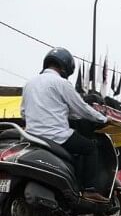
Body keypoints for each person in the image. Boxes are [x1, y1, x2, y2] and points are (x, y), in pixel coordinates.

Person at [21, 47, 111, 203]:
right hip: (56, 136)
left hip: (32, 136)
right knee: (91, 147)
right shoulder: (61, 83)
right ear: (65, 67)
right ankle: (89, 190)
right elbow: (82, 108)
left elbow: (23, 112)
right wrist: (103, 119)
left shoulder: (30, 84)